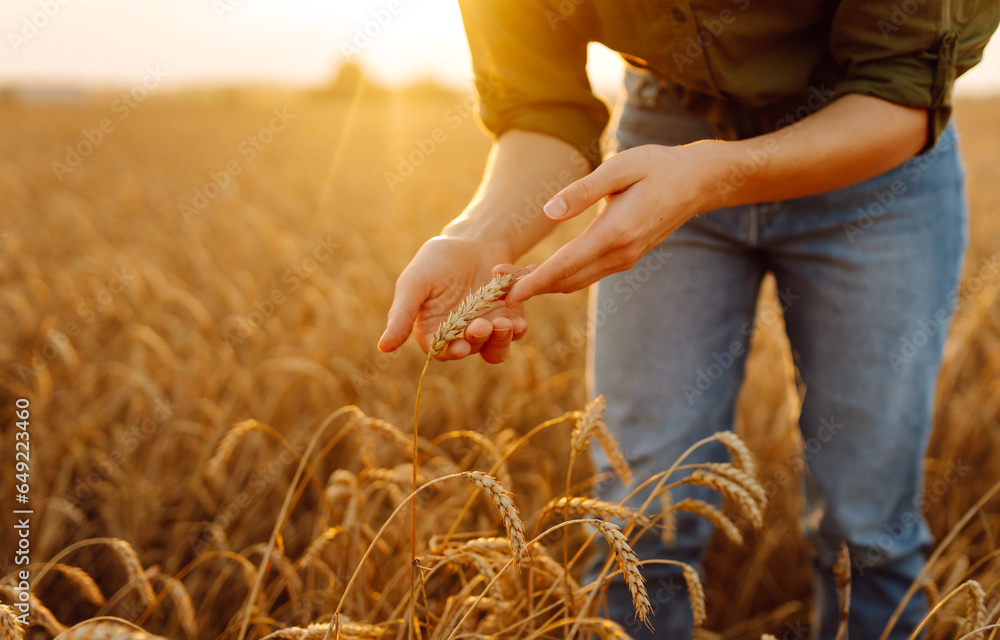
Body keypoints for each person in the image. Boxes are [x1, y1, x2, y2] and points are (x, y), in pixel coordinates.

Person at [377, 1, 999, 638]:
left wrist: (716, 177)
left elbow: (901, 89)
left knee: (867, 524)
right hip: (662, 141)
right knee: (640, 514)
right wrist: (482, 236)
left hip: (868, 148)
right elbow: (541, 110)